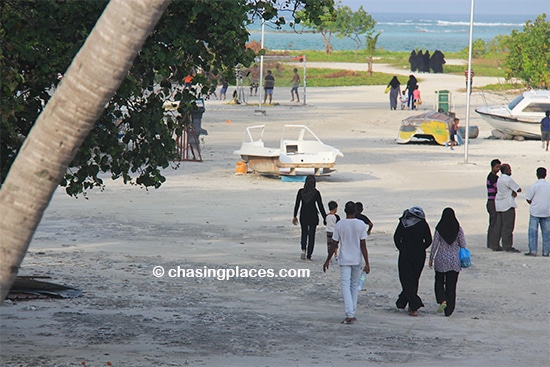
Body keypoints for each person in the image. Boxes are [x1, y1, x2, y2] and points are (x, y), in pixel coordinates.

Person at [323, 201, 370, 324]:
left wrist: (328, 259)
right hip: (357, 259)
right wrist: (367, 262)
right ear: (355, 211)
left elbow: (334, 244)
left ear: (344, 210)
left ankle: (350, 313)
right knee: (354, 285)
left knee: (345, 285)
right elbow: (363, 245)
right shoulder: (360, 224)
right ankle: (352, 312)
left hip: (344, 259)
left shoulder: (340, 224)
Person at [393, 206, 432, 316]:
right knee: (414, 279)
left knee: (405, 278)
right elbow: (428, 240)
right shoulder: (423, 223)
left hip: (405, 253)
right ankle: (405, 303)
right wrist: (420, 247)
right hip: (419, 255)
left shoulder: (403, 222)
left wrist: (402, 248)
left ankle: (414, 304)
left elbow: (396, 237)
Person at [429, 208, 467, 317]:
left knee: (439, 282)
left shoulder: (439, 229)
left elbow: (435, 245)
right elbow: (463, 244)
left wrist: (431, 258)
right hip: (454, 261)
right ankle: (449, 310)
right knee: (451, 285)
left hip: (441, 259)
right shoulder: (458, 229)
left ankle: (442, 299)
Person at [292, 175, 327, 261]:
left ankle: (303, 249)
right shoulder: (316, 193)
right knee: (312, 235)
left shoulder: (301, 192)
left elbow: (297, 204)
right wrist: (325, 217)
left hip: (303, 215)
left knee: (304, 233)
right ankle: (309, 256)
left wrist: (295, 215)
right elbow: (320, 206)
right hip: (313, 216)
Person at [495, 163, 522, 253]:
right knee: (508, 227)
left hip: (499, 204)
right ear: (506, 170)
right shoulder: (508, 179)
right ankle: (507, 246)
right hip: (507, 205)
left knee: (499, 226)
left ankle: (496, 244)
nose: (511, 171)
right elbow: (518, 189)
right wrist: (514, 191)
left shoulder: (500, 179)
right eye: (509, 169)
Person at [525, 167, 550, 257]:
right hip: (547, 211)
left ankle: (533, 251)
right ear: (545, 174)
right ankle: (546, 252)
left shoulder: (534, 186)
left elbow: (528, 198)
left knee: (533, 232)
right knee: (547, 233)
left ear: (537, 174)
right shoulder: (548, 186)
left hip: (535, 211)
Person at [486, 159, 502, 250]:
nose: (498, 169)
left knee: (492, 223)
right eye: (497, 167)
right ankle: (492, 243)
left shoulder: (491, 176)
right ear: (492, 167)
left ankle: (490, 242)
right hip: (492, 202)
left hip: (491, 202)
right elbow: (498, 188)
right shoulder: (493, 178)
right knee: (494, 223)